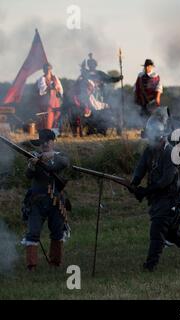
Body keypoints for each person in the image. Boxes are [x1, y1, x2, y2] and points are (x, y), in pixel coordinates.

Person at [129, 109, 180, 271]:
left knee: (157, 231)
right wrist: (133, 184)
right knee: (173, 234)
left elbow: (166, 180)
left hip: (170, 198)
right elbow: (140, 170)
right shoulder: (149, 151)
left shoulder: (170, 152)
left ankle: (150, 265)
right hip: (158, 198)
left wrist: (145, 191)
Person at [24, 129, 69, 270]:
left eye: (47, 142)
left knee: (57, 231)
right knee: (33, 232)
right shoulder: (34, 156)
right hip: (37, 201)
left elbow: (62, 163)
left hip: (56, 202)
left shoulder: (59, 156)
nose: (44, 144)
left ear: (52, 142)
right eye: (42, 142)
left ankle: (55, 263)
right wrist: (32, 164)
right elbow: (28, 175)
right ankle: (31, 265)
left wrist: (47, 158)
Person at [36, 63, 63, 133]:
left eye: (49, 69)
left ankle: (55, 134)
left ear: (51, 69)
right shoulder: (42, 79)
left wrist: (58, 90)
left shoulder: (55, 78)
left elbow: (60, 89)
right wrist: (50, 87)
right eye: (46, 69)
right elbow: (42, 90)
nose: (48, 70)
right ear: (44, 70)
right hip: (47, 102)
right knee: (49, 118)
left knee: (57, 117)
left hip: (56, 101)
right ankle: (47, 134)